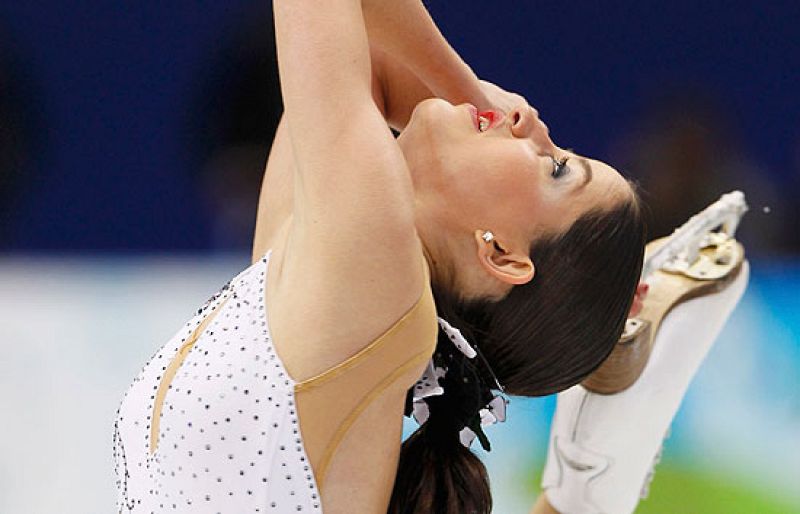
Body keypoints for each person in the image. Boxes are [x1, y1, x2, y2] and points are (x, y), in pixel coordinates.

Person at [113, 2, 645, 513]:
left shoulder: (372, 271)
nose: (538, 130)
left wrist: (477, 104)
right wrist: (481, 105)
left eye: (555, 169)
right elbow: (375, 55)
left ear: (504, 255)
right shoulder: (333, 278)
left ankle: (594, 478)